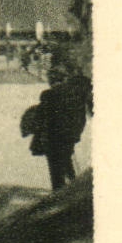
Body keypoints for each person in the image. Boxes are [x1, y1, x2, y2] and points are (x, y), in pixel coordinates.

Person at [35, 58, 91, 190]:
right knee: (67, 164)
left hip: (52, 139)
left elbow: (41, 117)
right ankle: (73, 190)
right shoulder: (71, 95)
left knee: (56, 172)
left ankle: (61, 195)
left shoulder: (47, 95)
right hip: (68, 137)